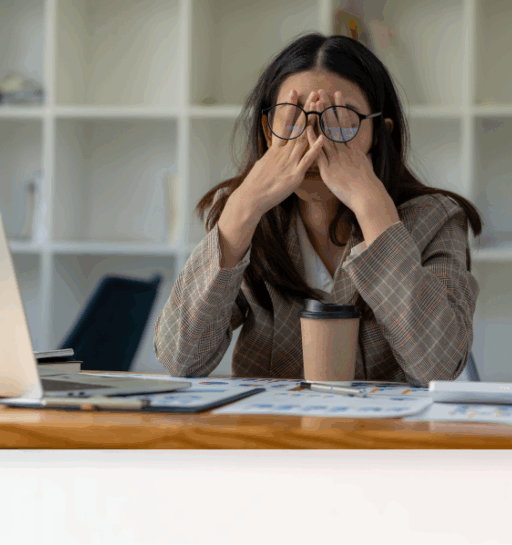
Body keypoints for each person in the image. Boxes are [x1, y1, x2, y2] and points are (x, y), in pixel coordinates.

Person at [154, 33, 482, 385]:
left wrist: (374, 210)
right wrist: (242, 208)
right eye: (292, 119)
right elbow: (180, 359)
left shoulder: (437, 218)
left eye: (340, 120)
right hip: (272, 434)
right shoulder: (246, 217)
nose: (313, 141)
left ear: (380, 134)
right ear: (267, 132)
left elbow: (438, 367)